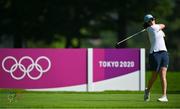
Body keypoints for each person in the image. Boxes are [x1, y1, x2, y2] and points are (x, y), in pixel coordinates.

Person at [143, 14, 169, 102]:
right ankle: (147, 90)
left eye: (153, 19)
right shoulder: (152, 28)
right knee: (154, 75)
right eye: (150, 20)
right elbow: (163, 25)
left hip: (164, 52)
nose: (152, 20)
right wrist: (149, 27)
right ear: (147, 22)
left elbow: (162, 28)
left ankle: (164, 96)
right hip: (155, 53)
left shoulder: (154, 28)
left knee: (163, 74)